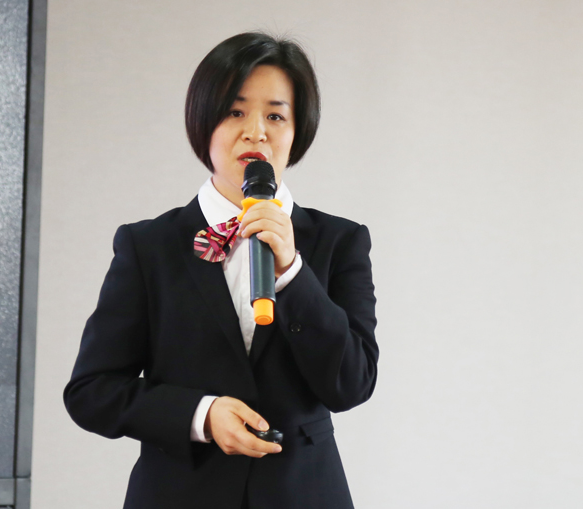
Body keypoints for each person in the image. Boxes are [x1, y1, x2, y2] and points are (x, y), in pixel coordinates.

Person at [64, 32, 378, 509]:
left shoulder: (341, 240)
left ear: (298, 131)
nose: (256, 132)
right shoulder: (148, 245)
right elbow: (92, 392)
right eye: (235, 112)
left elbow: (352, 384)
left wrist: (292, 271)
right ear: (203, 123)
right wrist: (201, 415)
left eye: (276, 115)